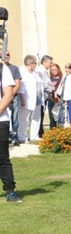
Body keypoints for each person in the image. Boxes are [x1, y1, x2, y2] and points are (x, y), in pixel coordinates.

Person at [1, 60, 21, 202]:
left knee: (2, 157)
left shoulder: (3, 69)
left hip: (0, 120)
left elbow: (8, 94)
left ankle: (10, 191)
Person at [17, 55, 42, 143]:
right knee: (24, 119)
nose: (35, 65)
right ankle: (22, 137)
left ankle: (34, 136)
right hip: (26, 99)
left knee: (36, 118)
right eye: (35, 63)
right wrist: (22, 100)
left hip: (37, 99)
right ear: (30, 64)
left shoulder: (34, 72)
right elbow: (21, 87)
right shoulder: (22, 72)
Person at [3, 52, 22, 146]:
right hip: (1, 98)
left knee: (14, 118)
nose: (6, 56)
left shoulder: (14, 68)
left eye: (8, 55)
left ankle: (14, 138)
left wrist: (9, 96)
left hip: (13, 97)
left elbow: (17, 84)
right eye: (4, 55)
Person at [48, 63, 63, 128]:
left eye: (55, 69)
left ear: (58, 69)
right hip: (51, 99)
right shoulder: (49, 79)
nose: (54, 71)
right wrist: (52, 100)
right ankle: (53, 132)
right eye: (52, 70)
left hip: (60, 100)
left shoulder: (62, 78)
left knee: (60, 118)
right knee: (52, 118)